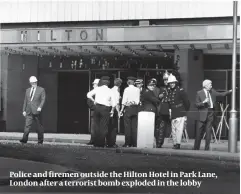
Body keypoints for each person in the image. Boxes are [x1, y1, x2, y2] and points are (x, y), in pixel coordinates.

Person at [194, 79, 232, 150]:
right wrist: (203, 102)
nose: (211, 86)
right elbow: (196, 104)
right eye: (210, 84)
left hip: (210, 113)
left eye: (211, 84)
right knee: (199, 132)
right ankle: (196, 148)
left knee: (208, 132)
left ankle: (207, 148)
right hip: (202, 114)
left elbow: (221, 94)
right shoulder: (199, 93)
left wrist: (230, 91)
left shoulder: (212, 91)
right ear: (205, 86)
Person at [87, 76, 116, 147]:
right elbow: (114, 103)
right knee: (104, 126)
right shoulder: (110, 91)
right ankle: (101, 142)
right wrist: (112, 111)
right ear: (108, 83)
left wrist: (94, 101)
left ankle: (96, 142)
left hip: (97, 108)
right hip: (105, 108)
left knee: (96, 125)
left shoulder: (98, 89)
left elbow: (88, 95)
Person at [20, 76, 46, 144]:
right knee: (27, 126)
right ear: (30, 83)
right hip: (29, 111)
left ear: (36, 82)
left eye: (34, 82)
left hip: (37, 111)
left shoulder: (41, 90)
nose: (33, 84)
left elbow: (43, 99)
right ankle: (24, 139)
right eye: (32, 83)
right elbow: (25, 101)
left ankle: (40, 141)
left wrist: (40, 107)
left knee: (39, 127)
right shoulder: (28, 90)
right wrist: (24, 110)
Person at [167, 74, 190, 149]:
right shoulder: (170, 91)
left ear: (175, 83)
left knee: (179, 129)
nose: (172, 84)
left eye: (173, 83)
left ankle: (178, 143)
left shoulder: (180, 90)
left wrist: (185, 112)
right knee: (173, 129)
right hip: (173, 112)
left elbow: (186, 102)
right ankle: (174, 143)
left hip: (180, 111)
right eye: (170, 83)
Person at [119, 77, 140, 147]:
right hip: (135, 108)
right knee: (134, 127)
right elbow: (137, 101)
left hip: (128, 108)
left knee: (127, 126)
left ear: (128, 82)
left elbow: (124, 100)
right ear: (134, 82)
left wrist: (121, 110)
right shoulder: (137, 89)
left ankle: (127, 143)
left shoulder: (126, 89)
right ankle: (134, 143)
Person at [156, 71, 171, 148]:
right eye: (164, 80)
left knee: (174, 127)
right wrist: (164, 93)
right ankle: (159, 143)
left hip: (171, 108)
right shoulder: (162, 88)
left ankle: (176, 144)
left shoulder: (173, 88)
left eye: (167, 79)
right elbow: (159, 97)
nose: (165, 81)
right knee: (161, 126)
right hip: (163, 109)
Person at [106, 78, 122, 148]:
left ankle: (108, 141)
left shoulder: (110, 90)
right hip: (114, 109)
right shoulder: (117, 91)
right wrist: (118, 112)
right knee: (114, 127)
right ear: (120, 84)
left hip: (108, 108)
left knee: (109, 126)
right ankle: (112, 142)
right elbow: (116, 103)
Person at [86, 78, 100, 145]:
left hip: (94, 110)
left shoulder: (95, 90)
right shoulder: (101, 90)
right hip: (101, 109)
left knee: (94, 126)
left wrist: (93, 101)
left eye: (94, 84)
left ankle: (93, 140)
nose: (93, 85)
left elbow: (88, 95)